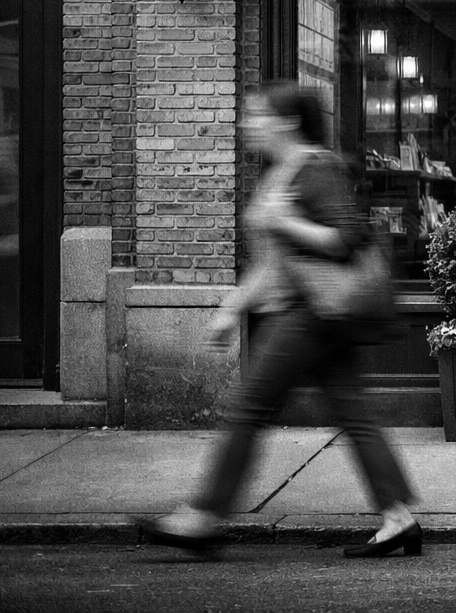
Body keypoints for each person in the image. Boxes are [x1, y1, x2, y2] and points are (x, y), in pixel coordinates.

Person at [142, 81, 420, 558]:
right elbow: (275, 260)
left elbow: (348, 238)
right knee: (355, 415)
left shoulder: (315, 167)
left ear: (287, 122)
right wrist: (235, 305)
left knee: (247, 408)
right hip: (313, 310)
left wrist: (285, 221)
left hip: (309, 312)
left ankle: (204, 516)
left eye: (257, 114)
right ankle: (399, 518)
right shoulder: (282, 171)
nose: (247, 123)